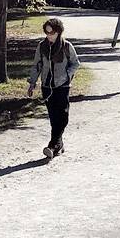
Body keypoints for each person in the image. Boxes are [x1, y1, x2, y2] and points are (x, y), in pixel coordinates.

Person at [27, 18, 80, 159]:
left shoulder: (66, 46)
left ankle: (53, 145)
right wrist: (32, 83)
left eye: (52, 32)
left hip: (62, 86)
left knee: (62, 116)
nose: (49, 35)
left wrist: (66, 76)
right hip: (47, 86)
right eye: (47, 32)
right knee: (53, 117)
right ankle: (58, 144)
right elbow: (36, 65)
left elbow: (75, 64)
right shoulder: (41, 46)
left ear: (59, 32)